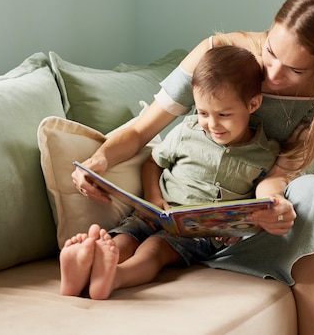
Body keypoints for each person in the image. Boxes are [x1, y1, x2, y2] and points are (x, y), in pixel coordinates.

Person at [72, 0, 314, 335]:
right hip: (191, 232)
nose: (272, 73)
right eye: (270, 52)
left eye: (294, 70)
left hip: (243, 235)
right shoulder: (217, 57)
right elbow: (141, 131)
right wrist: (98, 159)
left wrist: (273, 205)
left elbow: (275, 178)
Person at [60, 45, 280, 300]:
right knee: (123, 239)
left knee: (156, 248)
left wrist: (236, 229)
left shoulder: (264, 153)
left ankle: (115, 278)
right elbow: (152, 162)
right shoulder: (187, 131)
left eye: (223, 114)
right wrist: (153, 196)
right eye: (203, 113)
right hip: (154, 214)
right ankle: (88, 266)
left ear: (253, 104)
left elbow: (259, 203)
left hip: (199, 233)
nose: (212, 124)